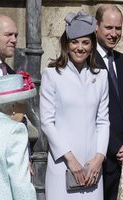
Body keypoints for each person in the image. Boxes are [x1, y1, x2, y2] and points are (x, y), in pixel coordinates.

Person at [40, 11, 109, 200]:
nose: (80, 48)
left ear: (92, 46)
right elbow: (47, 122)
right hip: (63, 162)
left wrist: (99, 157)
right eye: (74, 42)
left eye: (85, 42)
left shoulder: (100, 76)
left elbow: (103, 121)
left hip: (92, 166)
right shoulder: (52, 75)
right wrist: (70, 159)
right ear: (67, 45)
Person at [95, 4, 123, 200]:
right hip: (98, 155)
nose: (114, 34)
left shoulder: (122, 60)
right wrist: (115, 146)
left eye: (118, 28)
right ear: (96, 26)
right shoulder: (86, 60)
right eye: (109, 28)